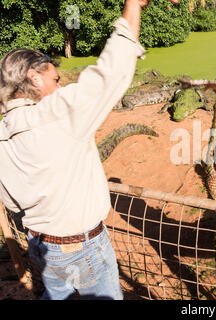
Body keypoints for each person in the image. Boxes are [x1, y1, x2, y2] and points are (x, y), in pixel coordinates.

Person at [0, 0, 178, 300]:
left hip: (42, 248)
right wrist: (133, 5)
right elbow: (112, 70)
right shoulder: (56, 113)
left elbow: (14, 204)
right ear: (34, 78)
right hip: (84, 248)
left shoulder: (3, 134)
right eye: (55, 80)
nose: (59, 88)